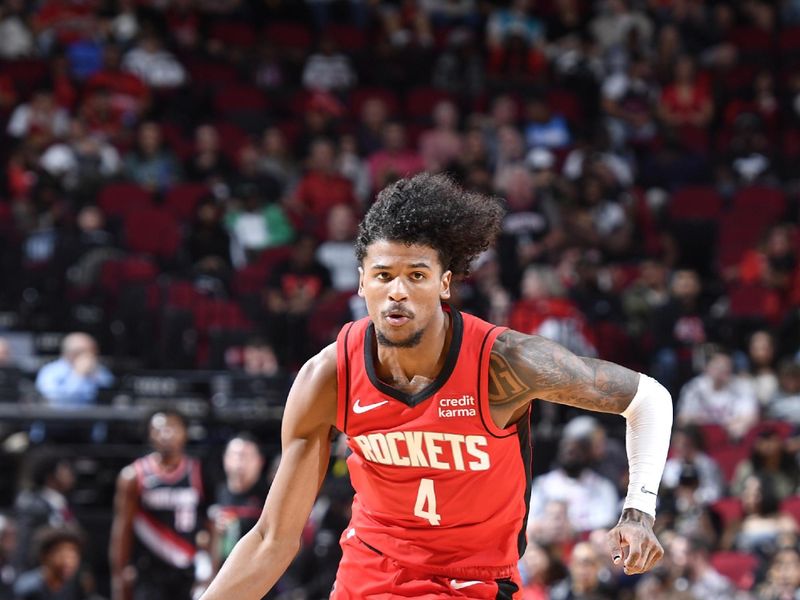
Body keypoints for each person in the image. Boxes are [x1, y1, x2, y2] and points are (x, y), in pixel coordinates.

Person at [200, 173, 672, 599]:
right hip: (369, 577)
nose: (398, 291)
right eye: (383, 275)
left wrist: (639, 510)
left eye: (417, 276)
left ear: (445, 284)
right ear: (362, 282)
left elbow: (648, 398)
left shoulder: (504, 364)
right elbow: (271, 539)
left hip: (475, 581)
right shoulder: (330, 376)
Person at [109, 410, 205, 600]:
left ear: (185, 433)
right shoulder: (133, 475)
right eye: (159, 429)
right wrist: (119, 576)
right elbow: (122, 527)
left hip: (187, 566)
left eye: (172, 428)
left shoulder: (199, 471)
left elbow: (211, 523)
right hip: (148, 568)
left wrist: (209, 569)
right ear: (149, 435)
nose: (166, 434)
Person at [209, 433, 267, 571]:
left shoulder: (271, 496)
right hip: (223, 573)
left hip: (260, 574)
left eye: (246, 456)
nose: (240, 462)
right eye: (235, 455)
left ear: (259, 461)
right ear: (225, 459)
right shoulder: (213, 493)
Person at [35, 333, 114, 407]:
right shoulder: (50, 371)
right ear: (71, 353)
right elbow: (56, 400)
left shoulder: (97, 368)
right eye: (89, 351)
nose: (93, 355)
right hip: (60, 419)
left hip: (93, 417)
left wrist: (94, 375)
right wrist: (78, 375)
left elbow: (111, 387)